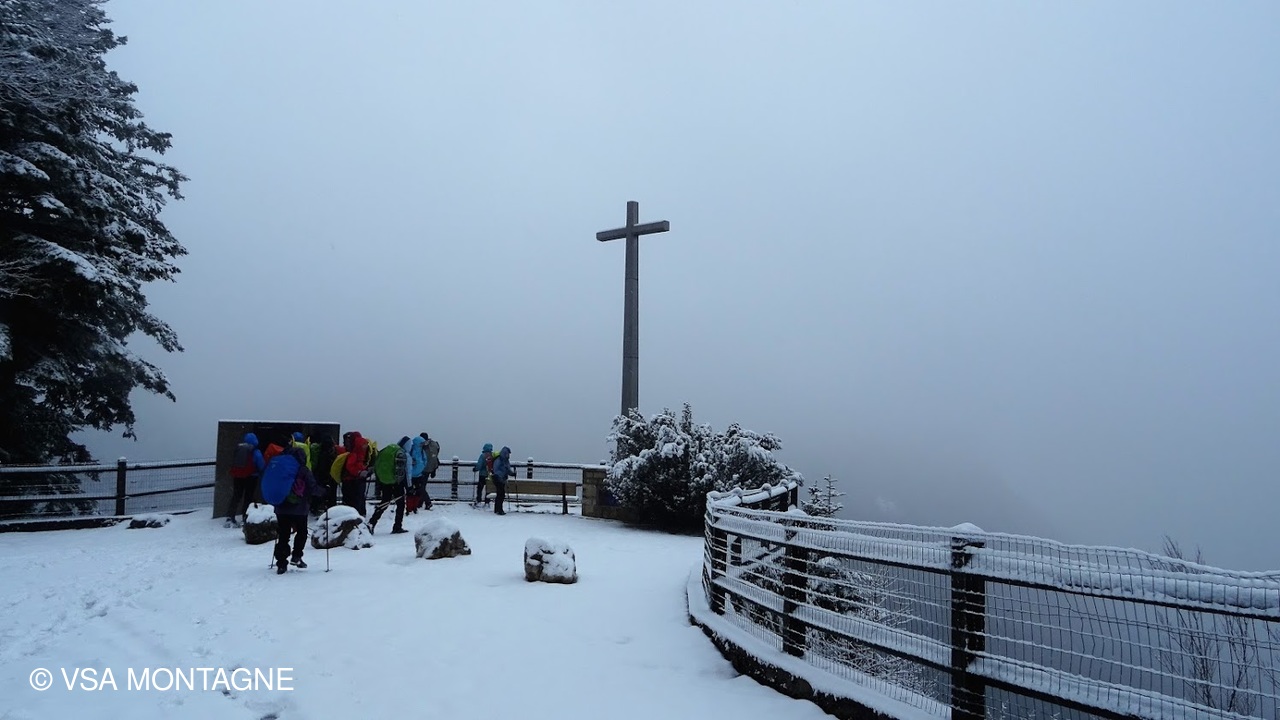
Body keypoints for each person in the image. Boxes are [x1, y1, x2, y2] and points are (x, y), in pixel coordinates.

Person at [271, 446, 324, 574]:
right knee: (302, 532)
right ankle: (297, 556)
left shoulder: (280, 468)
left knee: (283, 534)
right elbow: (312, 488)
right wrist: (324, 491)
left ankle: (281, 563)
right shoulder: (303, 470)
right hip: (300, 508)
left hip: (281, 508)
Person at [369, 439, 409, 534]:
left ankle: (372, 522)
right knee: (400, 504)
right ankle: (397, 526)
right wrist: (406, 486)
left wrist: (380, 481)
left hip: (384, 481)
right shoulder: (400, 453)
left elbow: (377, 464)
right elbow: (401, 471)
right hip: (396, 482)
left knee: (385, 502)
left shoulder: (385, 450)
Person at [225, 432, 265, 527]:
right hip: (251, 477)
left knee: (236, 496)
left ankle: (230, 516)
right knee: (248, 497)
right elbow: (261, 465)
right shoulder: (255, 451)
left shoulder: (239, 449)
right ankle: (245, 517)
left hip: (238, 476)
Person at [340, 431, 370, 516]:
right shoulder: (364, 450)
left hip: (350, 479)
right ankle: (361, 514)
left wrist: (358, 472)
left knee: (350, 500)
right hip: (360, 478)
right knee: (360, 498)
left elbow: (349, 466)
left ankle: (351, 516)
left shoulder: (353, 453)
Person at [407, 435, 432, 512]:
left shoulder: (421, 451)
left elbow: (425, 460)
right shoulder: (411, 450)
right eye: (421, 443)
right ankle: (409, 508)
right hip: (411, 475)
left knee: (418, 491)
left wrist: (422, 467)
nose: (422, 445)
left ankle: (414, 507)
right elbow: (407, 460)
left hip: (419, 475)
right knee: (410, 492)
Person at [490, 445, 515, 515]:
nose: (508, 455)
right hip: (498, 478)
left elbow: (507, 470)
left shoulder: (505, 461)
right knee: (501, 494)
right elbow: (496, 470)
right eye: (508, 454)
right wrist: (501, 476)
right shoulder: (499, 460)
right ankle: (499, 510)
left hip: (501, 479)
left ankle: (497, 509)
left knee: (500, 494)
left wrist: (512, 474)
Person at [473, 442, 493, 507]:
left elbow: (479, 465)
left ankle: (478, 501)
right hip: (489, 475)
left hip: (482, 475)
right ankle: (487, 502)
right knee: (488, 489)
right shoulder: (492, 455)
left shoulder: (483, 456)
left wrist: (475, 469)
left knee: (480, 488)